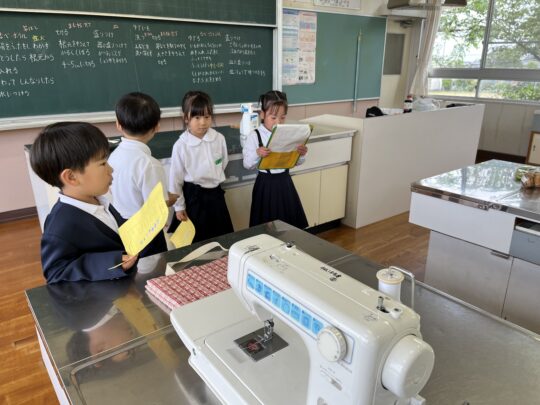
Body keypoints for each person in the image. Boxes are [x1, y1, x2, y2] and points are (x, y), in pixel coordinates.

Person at [30, 122, 137, 283]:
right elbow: (55, 273)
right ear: (72, 177)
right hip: (106, 295)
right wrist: (110, 262)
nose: (111, 169)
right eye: (102, 163)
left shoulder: (98, 200)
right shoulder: (60, 225)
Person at [108, 92, 177, 256]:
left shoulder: (113, 155)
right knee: (154, 266)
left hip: (121, 226)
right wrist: (171, 199)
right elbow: (156, 208)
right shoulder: (150, 164)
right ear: (157, 126)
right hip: (145, 231)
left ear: (118, 124)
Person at [168, 91, 234, 242]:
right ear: (186, 118)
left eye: (207, 117)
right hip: (194, 199)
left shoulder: (219, 138)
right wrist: (179, 207)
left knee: (222, 238)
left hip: (216, 196)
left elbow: (223, 162)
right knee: (199, 241)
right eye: (197, 117)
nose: (203, 122)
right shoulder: (181, 145)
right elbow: (175, 179)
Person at [242, 90, 309, 228]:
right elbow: (247, 164)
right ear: (262, 114)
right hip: (266, 185)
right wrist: (257, 153)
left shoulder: (288, 133)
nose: (278, 122)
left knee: (289, 224)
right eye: (273, 118)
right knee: (267, 226)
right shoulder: (254, 135)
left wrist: (301, 154)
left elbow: (297, 162)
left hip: (285, 182)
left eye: (282, 118)